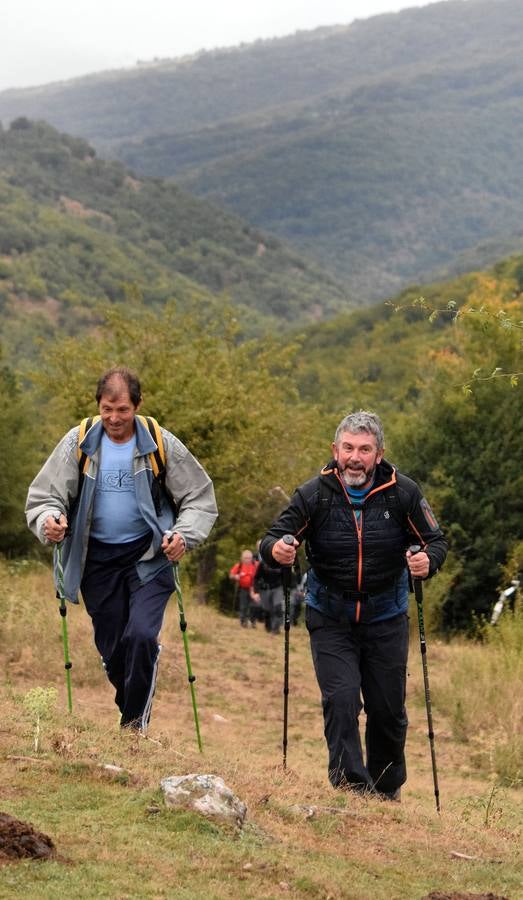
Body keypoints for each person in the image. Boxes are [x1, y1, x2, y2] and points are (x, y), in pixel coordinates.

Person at [260, 410, 447, 800]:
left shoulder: (403, 493)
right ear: (335, 449)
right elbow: (273, 539)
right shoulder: (313, 495)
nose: (355, 458)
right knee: (341, 700)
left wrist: (427, 562)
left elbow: (436, 541)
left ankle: (386, 789)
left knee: (387, 711)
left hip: (386, 616)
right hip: (330, 616)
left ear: (379, 454)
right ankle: (350, 788)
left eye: (364, 449)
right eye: (348, 448)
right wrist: (277, 550)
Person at [26, 366, 218, 733]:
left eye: (123, 410)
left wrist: (183, 535)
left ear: (138, 405)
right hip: (96, 560)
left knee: (142, 637)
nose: (114, 418)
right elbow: (45, 496)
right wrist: (50, 520)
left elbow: (198, 496)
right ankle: (132, 709)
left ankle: (133, 729)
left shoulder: (159, 442)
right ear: (98, 406)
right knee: (113, 650)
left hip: (149, 556)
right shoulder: (79, 441)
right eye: (107, 409)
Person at [251, 555, 285, 634]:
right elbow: (256, 578)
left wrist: (286, 589)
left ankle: (276, 629)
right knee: (268, 610)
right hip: (265, 589)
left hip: (277, 588)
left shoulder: (281, 564)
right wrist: (256, 592)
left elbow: (286, 577)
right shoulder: (263, 564)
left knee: (277, 608)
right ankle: (268, 627)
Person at [229, 549, 258, 627]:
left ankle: (253, 622)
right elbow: (231, 575)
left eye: (249, 558)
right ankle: (243, 622)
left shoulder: (256, 565)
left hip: (254, 588)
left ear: (252, 558)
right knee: (243, 605)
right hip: (243, 588)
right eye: (246, 558)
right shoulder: (239, 565)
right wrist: (235, 576)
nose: (247, 560)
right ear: (242, 558)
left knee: (254, 605)